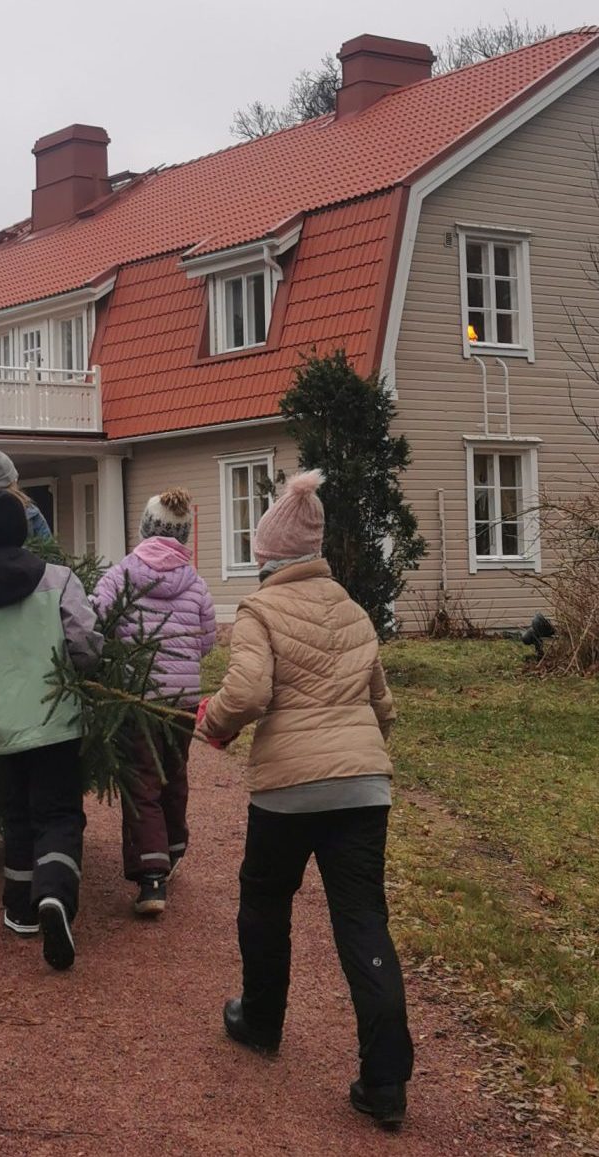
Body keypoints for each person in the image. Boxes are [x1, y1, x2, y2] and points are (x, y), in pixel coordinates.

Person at [195, 470, 413, 1130]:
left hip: (290, 788)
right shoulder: (352, 610)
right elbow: (384, 706)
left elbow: (249, 692)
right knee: (362, 919)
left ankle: (260, 1021)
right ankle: (386, 1084)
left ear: (271, 555)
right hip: (363, 785)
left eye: (261, 552)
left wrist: (215, 724)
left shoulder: (260, 610)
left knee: (264, 896)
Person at [0, 489, 102, 971]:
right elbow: (83, 642)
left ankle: (19, 909)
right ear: (23, 529)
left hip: (0, 725)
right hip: (55, 718)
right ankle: (54, 895)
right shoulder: (57, 579)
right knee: (58, 812)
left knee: (17, 812)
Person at [92, 488, 216, 917]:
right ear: (183, 535)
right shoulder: (195, 582)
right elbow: (207, 640)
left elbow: (95, 620)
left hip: (137, 696)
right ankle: (174, 847)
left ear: (146, 529)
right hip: (181, 701)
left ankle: (151, 879)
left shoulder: (120, 575)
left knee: (142, 781)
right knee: (174, 774)